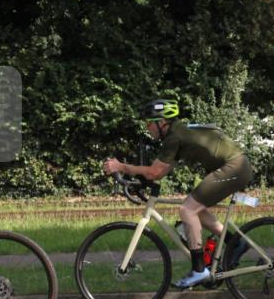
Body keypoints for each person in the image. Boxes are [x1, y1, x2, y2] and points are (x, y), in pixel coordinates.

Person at [103, 99, 253, 288]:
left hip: (234, 168)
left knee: (187, 209)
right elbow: (160, 172)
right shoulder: (177, 133)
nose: (147, 127)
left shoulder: (174, 136)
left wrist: (122, 166)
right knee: (195, 209)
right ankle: (236, 243)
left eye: (149, 123)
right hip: (236, 166)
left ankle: (199, 270)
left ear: (162, 122)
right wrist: (141, 181)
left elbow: (154, 172)